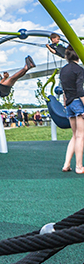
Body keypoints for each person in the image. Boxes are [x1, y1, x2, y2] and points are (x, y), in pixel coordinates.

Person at [59, 46, 84, 174]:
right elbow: (80, 90)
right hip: (78, 103)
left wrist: (66, 102)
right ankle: (79, 167)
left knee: (74, 136)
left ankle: (66, 164)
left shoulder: (63, 70)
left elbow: (64, 90)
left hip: (68, 103)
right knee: (81, 136)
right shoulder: (79, 70)